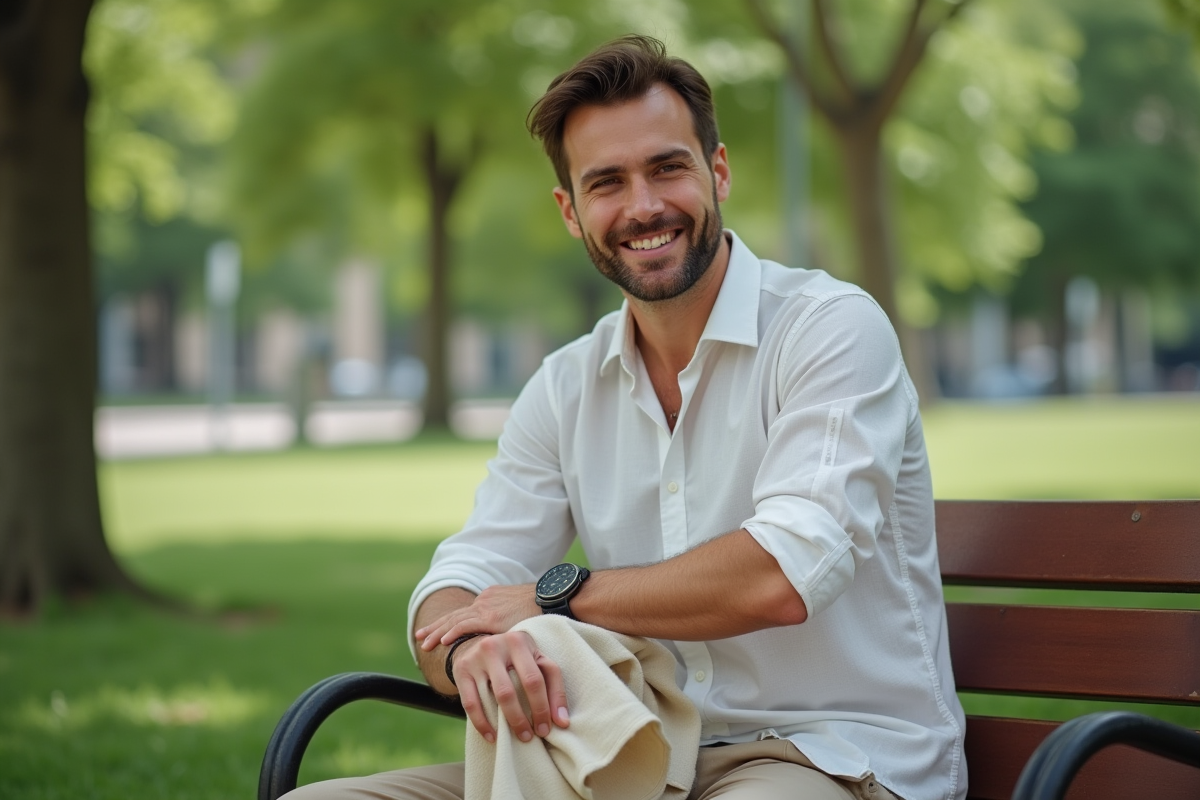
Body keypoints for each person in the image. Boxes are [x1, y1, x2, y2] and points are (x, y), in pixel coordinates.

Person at [287, 34, 966, 800]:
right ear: (571, 212)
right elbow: (464, 578)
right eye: (606, 183)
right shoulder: (564, 386)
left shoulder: (830, 329)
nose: (643, 206)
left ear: (718, 171)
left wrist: (556, 597)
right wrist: (467, 648)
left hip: (831, 757)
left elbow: (782, 574)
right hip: (630, 755)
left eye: (668, 167)